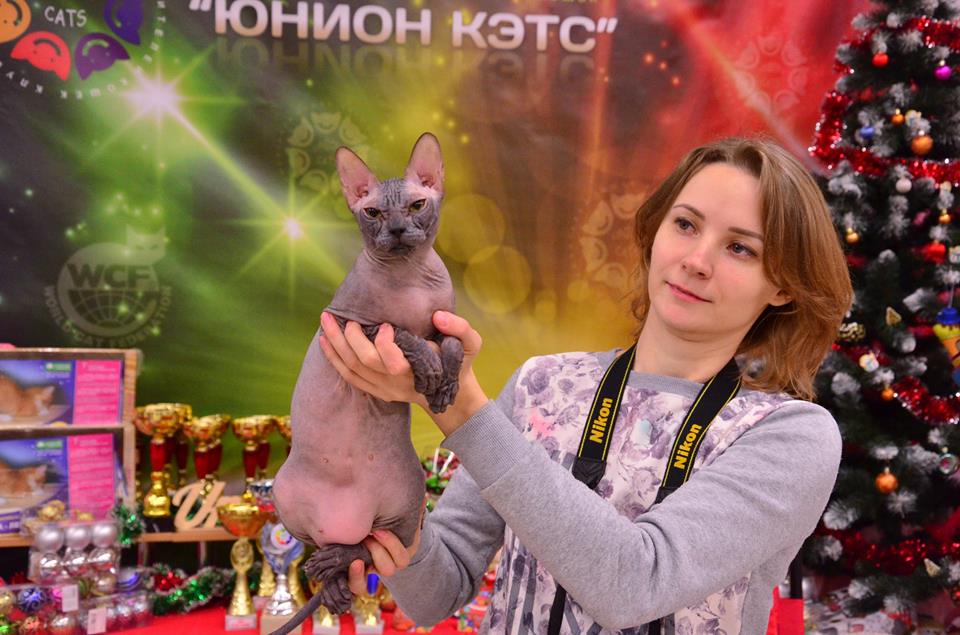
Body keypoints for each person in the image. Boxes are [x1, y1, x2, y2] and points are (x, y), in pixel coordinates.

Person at [317, 136, 853, 634]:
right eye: (686, 224)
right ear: (655, 230)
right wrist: (386, 516)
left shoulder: (790, 436)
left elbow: (634, 584)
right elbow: (437, 591)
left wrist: (459, 408)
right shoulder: (543, 383)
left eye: (740, 248)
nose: (696, 261)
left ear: (783, 286)